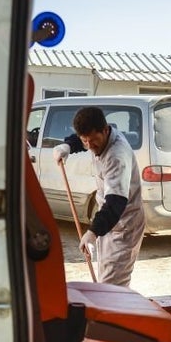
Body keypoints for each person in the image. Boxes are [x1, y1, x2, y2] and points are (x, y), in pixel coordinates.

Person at [53, 106, 145, 286]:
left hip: (124, 226)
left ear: (105, 130)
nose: (90, 146)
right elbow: (85, 139)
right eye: (85, 141)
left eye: (93, 141)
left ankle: (115, 313)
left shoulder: (116, 156)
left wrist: (92, 232)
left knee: (113, 287)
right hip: (110, 224)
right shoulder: (99, 138)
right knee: (105, 280)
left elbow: (115, 203)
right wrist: (68, 146)